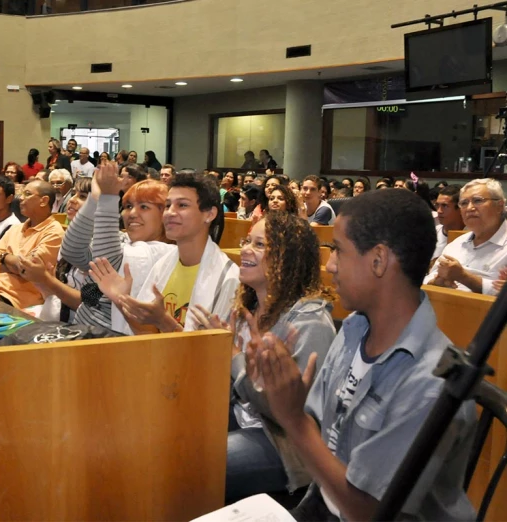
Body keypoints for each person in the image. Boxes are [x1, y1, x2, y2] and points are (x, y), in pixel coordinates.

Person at [254, 189, 476, 521]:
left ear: (378, 260)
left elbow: (369, 513)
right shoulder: (355, 329)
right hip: (322, 504)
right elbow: (320, 428)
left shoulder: (429, 382)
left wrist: (295, 421)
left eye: (338, 251)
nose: (329, 267)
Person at [189, 212, 335, 503]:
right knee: (162, 441)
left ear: (286, 258)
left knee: (194, 466)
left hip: (284, 443)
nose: (245, 249)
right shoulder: (248, 306)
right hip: (241, 418)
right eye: (247, 240)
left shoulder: (310, 322)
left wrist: (233, 356)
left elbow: (292, 414)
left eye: (259, 244)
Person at [89, 170, 240, 333]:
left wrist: (163, 321)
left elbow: (209, 352)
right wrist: (121, 299)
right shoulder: (164, 264)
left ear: (209, 214)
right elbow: (148, 335)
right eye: (168, 205)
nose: (170, 213)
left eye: (182, 205)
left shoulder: (228, 278)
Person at [58, 165, 173, 333]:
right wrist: (95, 199)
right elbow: (72, 251)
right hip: (82, 330)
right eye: (127, 206)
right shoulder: (123, 240)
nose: (132, 213)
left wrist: (109, 197)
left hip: (113, 343)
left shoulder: (164, 253)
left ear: (165, 215)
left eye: (144, 207)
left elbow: (107, 264)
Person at [19, 177, 93, 322]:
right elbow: (55, 295)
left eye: (82, 197)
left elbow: (89, 303)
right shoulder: (68, 239)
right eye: (74, 194)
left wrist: (46, 279)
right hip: (56, 316)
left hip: (84, 329)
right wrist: (40, 279)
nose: (72, 200)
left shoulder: (105, 248)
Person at [0, 179, 65, 308]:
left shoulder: (54, 232)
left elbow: (27, 269)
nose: (21, 199)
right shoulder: (15, 228)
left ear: (44, 201)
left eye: (27, 194)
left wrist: (4, 257)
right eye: (22, 194)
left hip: (17, 299)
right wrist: (14, 264)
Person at [424, 178, 507, 295]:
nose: (469, 208)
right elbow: (428, 280)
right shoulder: (456, 244)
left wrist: (464, 277)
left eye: (478, 201)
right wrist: (435, 283)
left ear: (499, 206)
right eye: (464, 203)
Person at [432, 185, 465, 261]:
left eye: (445, 206)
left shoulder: (473, 236)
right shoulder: (431, 234)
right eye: (437, 205)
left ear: (460, 208)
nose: (439, 211)